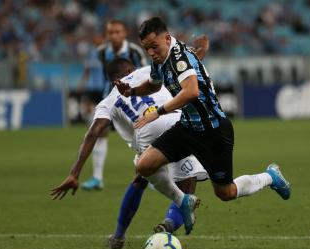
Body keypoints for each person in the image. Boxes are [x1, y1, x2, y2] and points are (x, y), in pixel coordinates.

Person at [115, 17, 291, 233]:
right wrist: (131, 91)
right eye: (146, 48)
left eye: (154, 46)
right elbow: (154, 84)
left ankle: (270, 177)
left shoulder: (180, 57)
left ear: (167, 39)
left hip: (214, 131)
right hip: (187, 128)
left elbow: (191, 91)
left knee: (225, 192)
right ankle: (183, 201)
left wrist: (158, 112)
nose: (151, 52)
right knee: (144, 166)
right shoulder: (160, 58)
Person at [51, 36, 211, 249]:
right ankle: (170, 223)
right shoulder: (150, 71)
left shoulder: (107, 101)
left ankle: (118, 236)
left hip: (147, 132)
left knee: (141, 176)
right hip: (176, 121)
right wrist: (200, 50)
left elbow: (93, 133)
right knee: (188, 178)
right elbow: (187, 61)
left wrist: (75, 173)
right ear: (130, 70)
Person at [80, 19, 147, 191]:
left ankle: (152, 171)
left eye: (117, 32)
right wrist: (91, 98)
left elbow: (147, 74)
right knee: (100, 132)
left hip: (133, 100)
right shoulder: (101, 52)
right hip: (110, 97)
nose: (114, 35)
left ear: (124, 34)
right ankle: (97, 178)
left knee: (143, 134)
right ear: (106, 34)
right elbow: (102, 77)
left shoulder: (134, 52)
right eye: (110, 32)